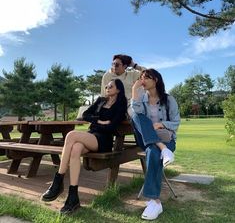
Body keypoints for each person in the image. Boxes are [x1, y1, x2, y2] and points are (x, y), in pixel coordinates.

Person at [41, 79, 127, 214]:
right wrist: (98, 121)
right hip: (92, 136)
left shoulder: (121, 105)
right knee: (75, 149)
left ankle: (58, 181)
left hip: (104, 141)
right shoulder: (100, 101)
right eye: (106, 86)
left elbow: (111, 127)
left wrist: (102, 125)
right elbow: (85, 115)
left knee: (71, 135)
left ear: (118, 89)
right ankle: (73, 197)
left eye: (110, 86)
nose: (107, 87)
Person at [131, 69, 180, 220]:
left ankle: (155, 201)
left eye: (146, 77)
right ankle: (163, 150)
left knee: (153, 152)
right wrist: (134, 90)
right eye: (141, 78)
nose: (142, 80)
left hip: (167, 139)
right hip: (146, 139)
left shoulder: (169, 99)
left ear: (156, 80)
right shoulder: (141, 99)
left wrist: (161, 124)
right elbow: (136, 116)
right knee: (135, 116)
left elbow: (176, 122)